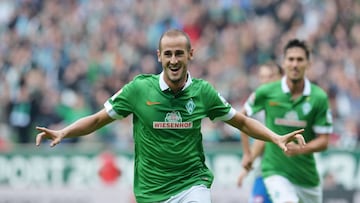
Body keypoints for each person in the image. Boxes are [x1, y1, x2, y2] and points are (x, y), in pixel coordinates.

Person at [35, 29, 305, 203]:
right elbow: (96, 120)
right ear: (159, 56)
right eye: (168, 54)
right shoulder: (139, 89)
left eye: (179, 53)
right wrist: (63, 132)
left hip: (192, 184)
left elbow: (242, 121)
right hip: (151, 192)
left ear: (190, 54)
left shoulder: (203, 92)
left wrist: (275, 137)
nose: (174, 60)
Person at [240, 39, 333, 203]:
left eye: (300, 59)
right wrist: (247, 153)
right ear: (283, 63)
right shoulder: (267, 91)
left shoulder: (319, 97)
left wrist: (300, 149)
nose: (295, 64)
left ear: (308, 63)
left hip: (307, 177)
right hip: (275, 171)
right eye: (291, 59)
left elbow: (324, 141)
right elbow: (242, 117)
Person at [237, 61, 283, 203]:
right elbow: (241, 118)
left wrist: (248, 160)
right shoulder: (259, 100)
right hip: (266, 171)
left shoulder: (283, 101)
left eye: (270, 76)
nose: (265, 81)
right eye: (262, 77)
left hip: (287, 171)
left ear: (281, 77)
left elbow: (263, 139)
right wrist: (247, 155)